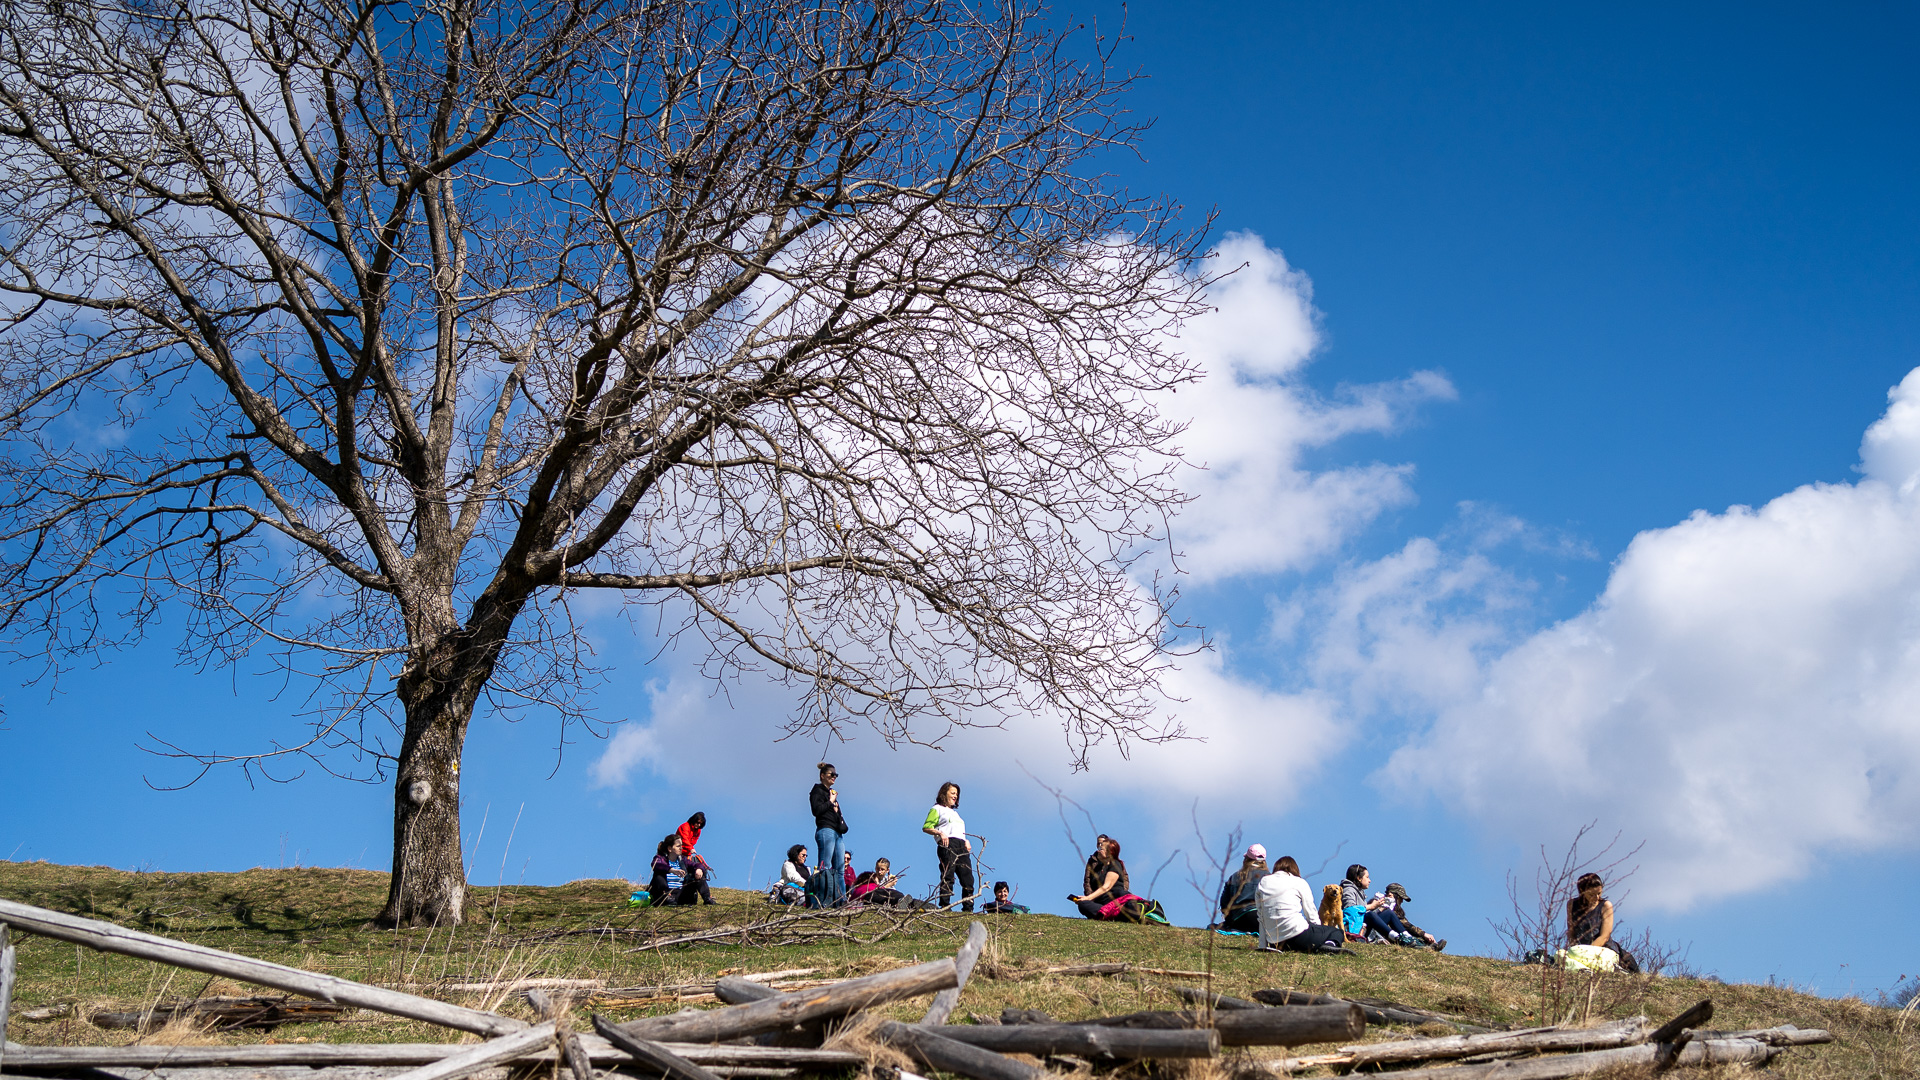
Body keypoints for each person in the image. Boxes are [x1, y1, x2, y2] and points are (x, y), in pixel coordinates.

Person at [1255, 856, 1348, 953]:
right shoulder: (1299, 882)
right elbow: (1311, 914)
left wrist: (1263, 946)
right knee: (1337, 932)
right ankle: (1327, 945)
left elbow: (1261, 917)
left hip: (1275, 942)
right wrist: (1320, 932)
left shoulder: (1263, 882)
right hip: (1299, 936)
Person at [1567, 872, 1639, 973]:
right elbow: (1571, 931)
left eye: (1599, 893)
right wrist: (1575, 947)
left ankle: (1612, 967)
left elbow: (1604, 936)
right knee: (1560, 955)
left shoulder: (1605, 906)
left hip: (1604, 950)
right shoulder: (1571, 904)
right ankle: (1584, 969)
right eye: (1592, 894)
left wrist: (1585, 952)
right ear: (1582, 891)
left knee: (1572, 954)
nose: (1596, 897)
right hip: (1580, 950)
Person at [924, 781, 977, 912]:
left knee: (968, 877)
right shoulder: (936, 809)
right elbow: (926, 827)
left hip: (961, 845)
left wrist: (966, 840)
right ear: (944, 794)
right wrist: (940, 833)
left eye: (957, 794)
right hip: (947, 844)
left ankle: (968, 908)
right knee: (948, 874)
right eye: (952, 793)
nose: (955, 796)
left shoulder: (955, 813)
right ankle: (945, 905)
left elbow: (959, 830)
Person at [1340, 864, 1422, 946]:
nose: (1369, 880)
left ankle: (1408, 938)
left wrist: (1380, 908)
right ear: (1359, 878)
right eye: (1367, 877)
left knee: (1389, 913)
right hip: (1352, 928)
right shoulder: (1348, 890)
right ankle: (1397, 938)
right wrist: (1372, 906)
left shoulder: (1359, 892)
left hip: (1362, 925)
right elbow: (1350, 910)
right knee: (1370, 915)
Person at [809, 763, 848, 904]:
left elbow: (842, 822)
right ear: (822, 776)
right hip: (825, 830)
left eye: (836, 775)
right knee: (824, 867)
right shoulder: (817, 791)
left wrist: (837, 812)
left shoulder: (832, 794)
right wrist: (830, 802)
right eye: (831, 774)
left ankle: (841, 901)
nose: (834, 777)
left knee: (840, 870)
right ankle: (821, 899)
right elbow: (816, 810)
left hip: (838, 833)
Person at [1069, 834, 1129, 918]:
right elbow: (1087, 880)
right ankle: (1108, 914)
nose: (1098, 850)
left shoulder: (1115, 864)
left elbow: (1107, 887)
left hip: (1114, 899)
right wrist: (1087, 899)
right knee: (1083, 905)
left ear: (1109, 852)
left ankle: (1112, 913)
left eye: (1101, 848)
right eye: (1098, 846)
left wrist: (1089, 898)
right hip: (1100, 901)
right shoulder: (1095, 866)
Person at [1381, 883, 1446, 952]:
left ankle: (1428, 946)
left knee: (1417, 938)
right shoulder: (1385, 907)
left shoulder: (1393, 909)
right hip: (1389, 936)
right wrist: (1423, 934)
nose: (1402, 901)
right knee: (1411, 939)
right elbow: (1406, 925)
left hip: (1393, 936)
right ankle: (1426, 948)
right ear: (1391, 895)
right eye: (1400, 898)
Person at [1218, 844, 1267, 932]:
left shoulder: (1234, 876)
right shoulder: (1269, 877)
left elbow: (1224, 903)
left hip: (1240, 919)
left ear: (1246, 859)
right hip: (1264, 920)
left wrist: (1229, 921)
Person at [648, 834, 708, 906]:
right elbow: (656, 865)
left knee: (697, 874)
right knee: (658, 875)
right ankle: (667, 897)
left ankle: (707, 898)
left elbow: (695, 864)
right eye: (678, 846)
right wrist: (671, 870)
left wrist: (699, 869)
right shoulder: (660, 858)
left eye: (681, 845)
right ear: (670, 849)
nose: (681, 848)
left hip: (680, 894)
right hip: (664, 894)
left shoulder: (682, 860)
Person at [675, 812, 716, 903]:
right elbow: (684, 839)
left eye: (700, 824)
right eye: (697, 822)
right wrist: (690, 848)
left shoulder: (698, 831)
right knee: (685, 874)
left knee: (699, 871)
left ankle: (706, 897)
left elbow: (693, 841)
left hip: (688, 855)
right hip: (680, 854)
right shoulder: (684, 827)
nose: (698, 825)